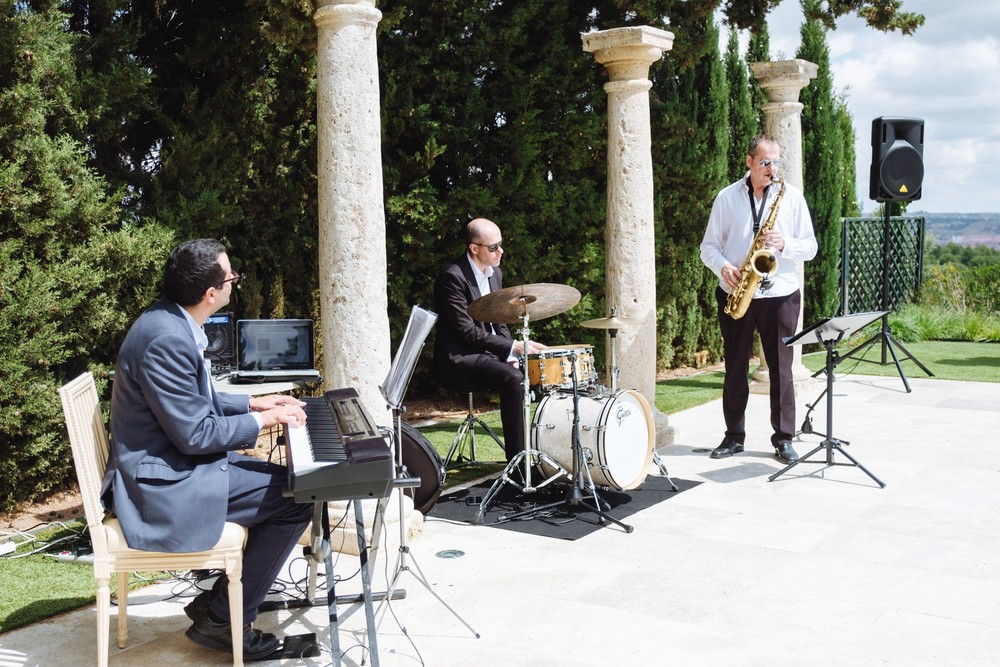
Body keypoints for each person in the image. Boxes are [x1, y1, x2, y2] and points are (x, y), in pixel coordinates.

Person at [101, 238, 313, 660]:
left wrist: (253, 403)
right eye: (231, 276)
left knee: (287, 484)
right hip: (161, 486)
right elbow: (195, 435)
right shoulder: (166, 339)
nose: (235, 282)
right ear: (210, 293)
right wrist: (265, 421)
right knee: (298, 496)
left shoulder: (168, 321)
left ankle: (216, 605)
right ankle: (222, 621)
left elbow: (191, 401)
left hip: (167, 464)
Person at [699, 134, 818, 464]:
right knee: (735, 367)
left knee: (782, 370)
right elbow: (708, 247)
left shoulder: (791, 197)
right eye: (765, 162)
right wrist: (723, 267)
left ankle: (784, 438)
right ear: (749, 162)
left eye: (776, 161)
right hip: (737, 291)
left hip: (780, 294)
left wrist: (783, 244)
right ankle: (734, 436)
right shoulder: (726, 198)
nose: (771, 168)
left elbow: (810, 247)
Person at [434, 218, 545, 462]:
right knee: (513, 379)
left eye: (500, 245)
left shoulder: (496, 274)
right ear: (475, 248)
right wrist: (512, 347)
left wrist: (512, 355)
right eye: (493, 247)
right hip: (461, 357)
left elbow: (500, 321)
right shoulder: (452, 278)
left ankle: (540, 453)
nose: (500, 251)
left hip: (489, 353)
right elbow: (466, 331)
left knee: (541, 369)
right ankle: (518, 461)